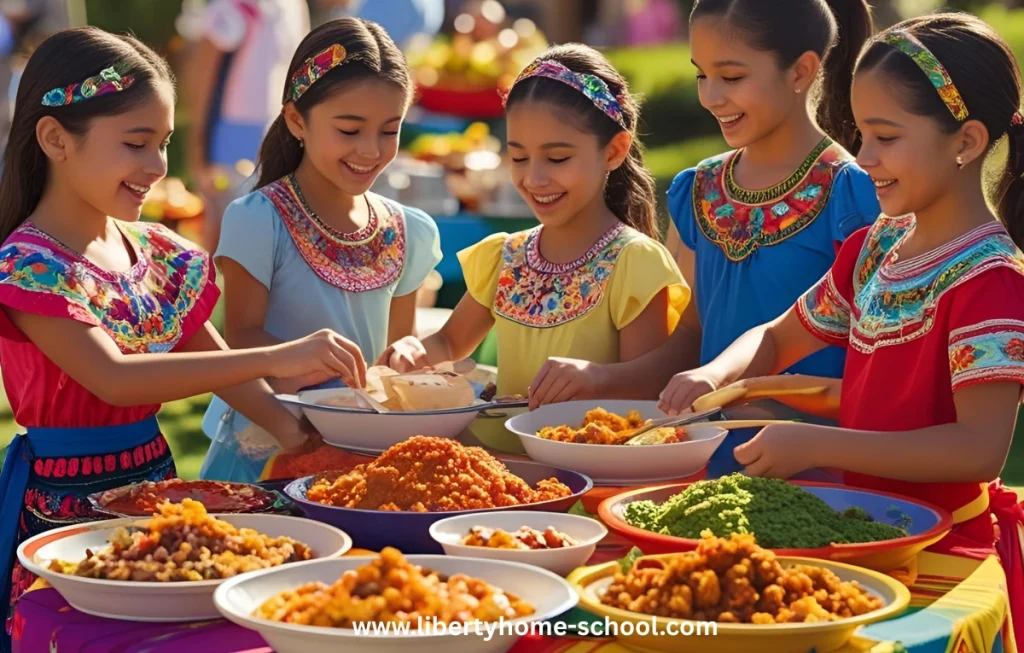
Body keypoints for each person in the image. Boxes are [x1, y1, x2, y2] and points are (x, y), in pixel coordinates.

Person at [0, 28, 366, 649]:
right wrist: (281, 356)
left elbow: (220, 366)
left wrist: (300, 439)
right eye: (136, 143)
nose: (158, 166)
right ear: (56, 138)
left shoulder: (158, 254)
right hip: (65, 508)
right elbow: (114, 379)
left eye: (164, 143)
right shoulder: (30, 266)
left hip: (162, 489)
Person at [661, 13, 1024, 638]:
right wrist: (715, 375)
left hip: (939, 550)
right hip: (859, 533)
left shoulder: (990, 280)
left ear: (965, 142)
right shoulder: (876, 248)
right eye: (861, 134)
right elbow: (777, 336)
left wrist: (816, 445)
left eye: (886, 137)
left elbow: (978, 448)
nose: (865, 157)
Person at [527, 0, 880, 475]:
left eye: (731, 77)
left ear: (800, 71)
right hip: (705, 465)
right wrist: (598, 378)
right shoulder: (700, 190)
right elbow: (691, 336)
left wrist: (774, 405)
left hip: (819, 472)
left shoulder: (854, 196)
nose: (710, 96)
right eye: (701, 75)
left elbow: (881, 366)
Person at [377, 44, 688, 449]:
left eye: (557, 159)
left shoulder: (634, 263)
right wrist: (413, 350)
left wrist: (597, 378)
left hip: (588, 467)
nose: (534, 179)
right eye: (519, 158)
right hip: (498, 466)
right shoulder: (505, 257)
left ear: (613, 151)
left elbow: (650, 387)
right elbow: (449, 343)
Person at [200, 18, 442, 482]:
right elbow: (241, 339)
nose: (370, 150)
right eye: (349, 130)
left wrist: (408, 352)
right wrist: (306, 358)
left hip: (363, 455)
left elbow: (395, 354)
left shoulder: (409, 229)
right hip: (266, 445)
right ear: (297, 120)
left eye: (389, 131)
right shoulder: (260, 219)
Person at [183, 0, 310, 251]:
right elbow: (206, 67)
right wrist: (198, 139)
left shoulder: (293, 6)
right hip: (230, 138)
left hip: (270, 134)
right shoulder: (241, 5)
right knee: (226, 235)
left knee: (255, 238)